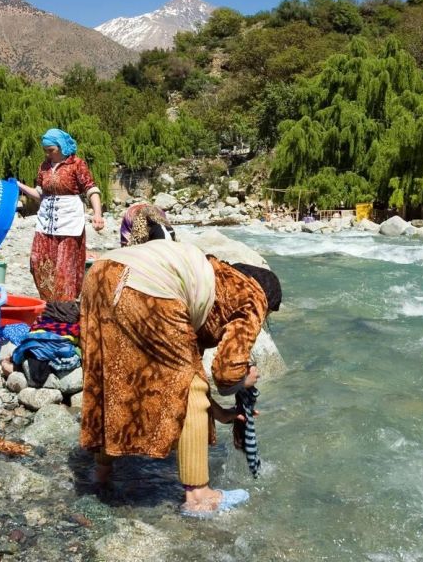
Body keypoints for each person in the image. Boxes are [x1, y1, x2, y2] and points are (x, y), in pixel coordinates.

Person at [80, 239, 282, 517]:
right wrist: (243, 381)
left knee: (111, 375)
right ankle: (199, 496)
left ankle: (101, 471)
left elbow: (189, 364)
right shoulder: (252, 295)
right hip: (145, 287)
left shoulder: (213, 279)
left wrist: (220, 413)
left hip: (100, 275)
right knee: (188, 387)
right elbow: (223, 373)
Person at [16, 128, 104, 301]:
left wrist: (98, 214)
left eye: (51, 150)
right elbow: (40, 194)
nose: (48, 154)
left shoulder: (77, 164)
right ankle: (49, 303)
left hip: (69, 220)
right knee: (38, 261)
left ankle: (64, 308)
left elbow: (90, 189)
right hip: (45, 221)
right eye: (45, 150)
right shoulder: (44, 166)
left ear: (62, 146)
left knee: (65, 267)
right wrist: (19, 185)